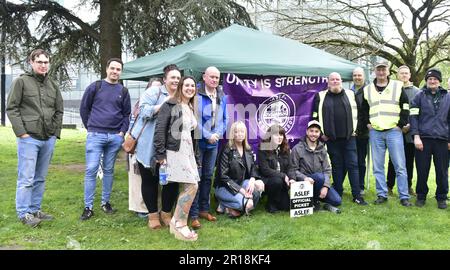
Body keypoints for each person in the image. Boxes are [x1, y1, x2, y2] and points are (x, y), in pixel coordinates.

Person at [6, 49, 63, 227]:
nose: (43, 65)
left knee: (40, 177)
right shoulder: (21, 82)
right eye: (39, 62)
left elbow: (59, 110)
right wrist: (22, 133)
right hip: (29, 138)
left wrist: (55, 133)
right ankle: (24, 213)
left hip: (48, 138)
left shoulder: (53, 85)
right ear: (31, 62)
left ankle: (35, 209)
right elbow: (12, 108)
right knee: (26, 178)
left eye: (46, 62)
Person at [79, 58, 131, 220]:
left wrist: (121, 133)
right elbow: (84, 108)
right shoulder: (96, 87)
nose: (115, 72)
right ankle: (88, 207)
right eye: (113, 68)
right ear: (107, 69)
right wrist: (91, 128)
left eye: (118, 69)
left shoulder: (123, 91)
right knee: (91, 169)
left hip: (115, 137)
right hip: (96, 135)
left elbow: (126, 114)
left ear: (121, 72)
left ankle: (105, 202)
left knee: (109, 171)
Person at [154, 76, 201, 241]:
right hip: (175, 151)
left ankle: (178, 222)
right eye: (187, 85)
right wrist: (160, 155)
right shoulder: (170, 104)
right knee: (192, 186)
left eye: (193, 85)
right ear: (180, 86)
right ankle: (179, 223)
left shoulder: (190, 106)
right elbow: (160, 130)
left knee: (192, 185)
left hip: (187, 151)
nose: (190, 88)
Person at [133, 66, 180, 229]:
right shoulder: (154, 92)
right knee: (149, 180)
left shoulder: (181, 94)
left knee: (171, 181)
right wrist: (164, 104)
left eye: (178, 78)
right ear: (165, 79)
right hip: (149, 145)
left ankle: (166, 213)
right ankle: (152, 215)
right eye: (172, 77)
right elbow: (143, 112)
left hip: (173, 145)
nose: (175, 81)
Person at [361, 60, 412, 206]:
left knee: (400, 165)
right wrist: (367, 124)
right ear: (375, 72)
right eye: (379, 70)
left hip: (393, 131)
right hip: (375, 132)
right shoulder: (368, 89)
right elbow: (364, 109)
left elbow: (406, 106)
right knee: (378, 167)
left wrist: (401, 124)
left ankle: (404, 196)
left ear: (388, 72)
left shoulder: (397, 86)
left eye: (384, 70)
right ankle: (382, 194)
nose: (381, 72)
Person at [312, 72, 367, 205]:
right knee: (337, 166)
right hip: (331, 139)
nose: (335, 81)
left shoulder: (350, 94)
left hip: (350, 138)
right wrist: (321, 133)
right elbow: (315, 115)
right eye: (332, 79)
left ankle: (357, 195)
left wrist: (356, 131)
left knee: (353, 165)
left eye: (337, 79)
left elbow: (360, 113)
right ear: (328, 82)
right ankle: (338, 192)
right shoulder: (320, 95)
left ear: (341, 81)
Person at [189, 66, 227, 229]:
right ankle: (193, 213)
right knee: (195, 178)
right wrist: (208, 135)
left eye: (217, 77)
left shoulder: (221, 94)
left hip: (214, 143)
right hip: (199, 142)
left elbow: (225, 119)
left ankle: (204, 209)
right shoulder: (196, 93)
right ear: (204, 77)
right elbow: (193, 119)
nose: (214, 80)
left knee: (207, 176)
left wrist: (217, 134)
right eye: (211, 77)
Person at [410, 68, 449, 209]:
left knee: (442, 171)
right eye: (430, 79)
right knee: (422, 170)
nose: (432, 81)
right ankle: (421, 196)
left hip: (442, 140)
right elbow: (413, 117)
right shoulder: (418, 96)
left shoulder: (448, 96)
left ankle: (442, 197)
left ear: (439, 81)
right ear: (426, 81)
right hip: (423, 140)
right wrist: (416, 137)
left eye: (435, 79)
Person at [127, 78, 163, 218]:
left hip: (156, 147)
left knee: (156, 180)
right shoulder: (141, 104)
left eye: (158, 88)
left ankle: (156, 208)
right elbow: (134, 123)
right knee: (139, 180)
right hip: (141, 146)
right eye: (153, 88)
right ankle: (141, 209)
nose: (155, 91)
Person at [214, 121, 265, 218]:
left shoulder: (248, 148)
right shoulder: (226, 149)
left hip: (241, 182)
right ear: (232, 133)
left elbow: (253, 167)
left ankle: (230, 207)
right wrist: (242, 191)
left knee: (257, 189)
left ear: (245, 133)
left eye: (242, 131)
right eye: (236, 132)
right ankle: (224, 204)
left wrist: (253, 179)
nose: (240, 134)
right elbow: (223, 177)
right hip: (224, 187)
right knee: (248, 204)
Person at [289, 120, 342, 213]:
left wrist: (326, 186)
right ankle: (313, 201)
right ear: (307, 132)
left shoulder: (322, 149)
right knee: (319, 176)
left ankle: (317, 199)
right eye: (311, 131)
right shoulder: (297, 149)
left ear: (320, 133)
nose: (314, 134)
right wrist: (304, 178)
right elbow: (293, 169)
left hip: (320, 182)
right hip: (304, 183)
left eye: (316, 131)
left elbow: (327, 170)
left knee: (337, 201)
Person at [386, 65, 420, 197]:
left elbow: (417, 111)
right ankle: (389, 186)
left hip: (410, 132)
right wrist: (398, 125)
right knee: (392, 160)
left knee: (408, 161)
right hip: (395, 130)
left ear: (410, 75)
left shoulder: (417, 92)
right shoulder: (392, 89)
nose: (404, 76)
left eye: (406, 73)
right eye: (401, 74)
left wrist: (409, 125)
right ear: (397, 75)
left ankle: (408, 186)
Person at [258, 125, 293, 213]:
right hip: (269, 181)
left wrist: (292, 178)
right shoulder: (263, 148)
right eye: (276, 135)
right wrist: (283, 175)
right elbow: (265, 170)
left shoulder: (285, 149)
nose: (280, 137)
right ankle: (271, 203)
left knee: (286, 207)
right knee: (277, 181)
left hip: (283, 183)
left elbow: (290, 167)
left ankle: (278, 200)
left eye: (281, 135)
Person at [352, 67, 369, 195]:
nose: (357, 78)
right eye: (355, 75)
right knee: (350, 160)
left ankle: (360, 186)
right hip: (349, 133)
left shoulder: (368, 90)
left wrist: (361, 130)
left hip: (362, 133)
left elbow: (366, 113)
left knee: (360, 161)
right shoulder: (348, 91)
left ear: (364, 77)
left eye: (359, 75)